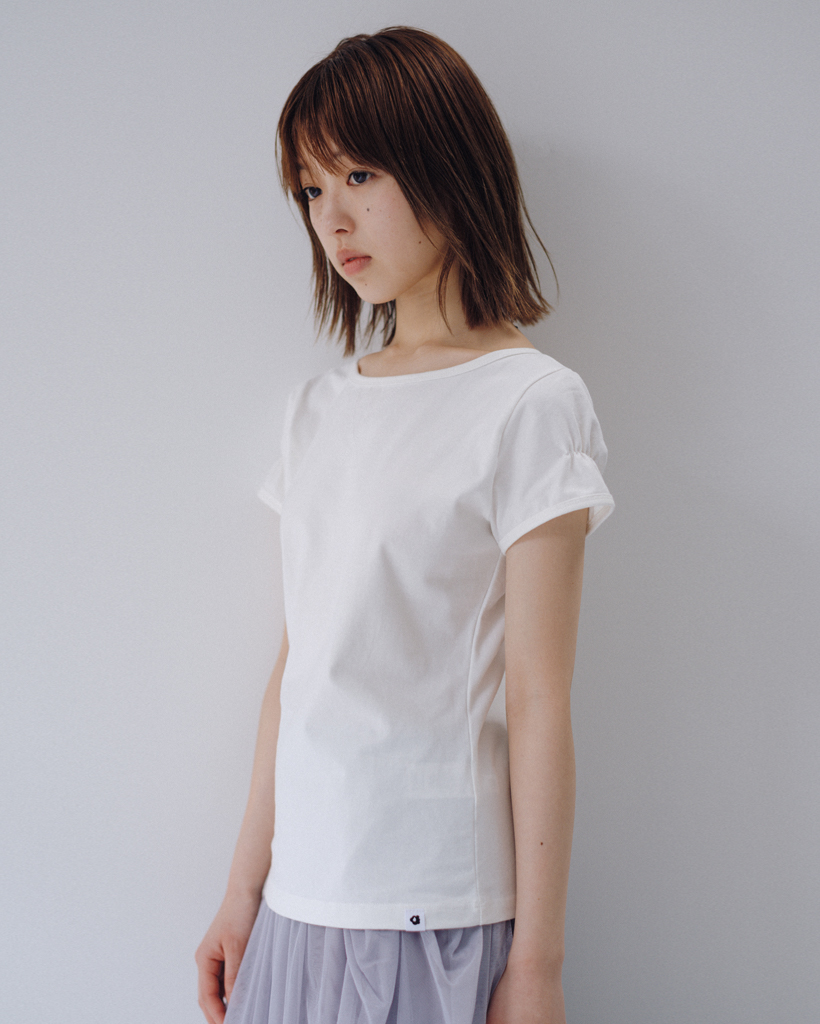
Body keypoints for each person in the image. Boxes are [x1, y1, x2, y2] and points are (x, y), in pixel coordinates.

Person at [195, 25, 614, 1024]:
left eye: (359, 175)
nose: (332, 218)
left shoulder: (530, 403)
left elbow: (539, 696)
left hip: (436, 909)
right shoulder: (317, 410)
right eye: (309, 189)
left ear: (447, 164)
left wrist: (538, 965)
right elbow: (299, 671)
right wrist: (242, 893)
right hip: (299, 906)